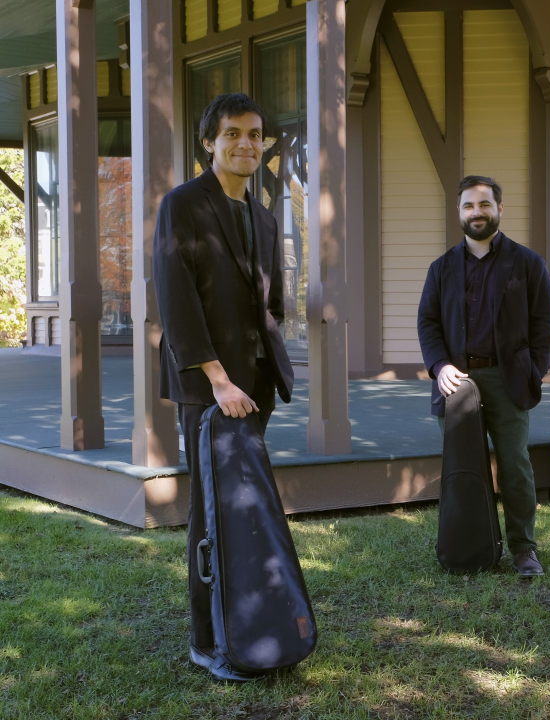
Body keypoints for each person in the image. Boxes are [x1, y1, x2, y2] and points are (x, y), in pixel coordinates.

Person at [154, 93, 294, 683]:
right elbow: (176, 297)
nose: (246, 144)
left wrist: (266, 367)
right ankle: (207, 639)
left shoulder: (264, 212)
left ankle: (252, 622)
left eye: (255, 135)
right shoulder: (182, 205)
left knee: (247, 510)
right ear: (209, 142)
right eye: (232, 133)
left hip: (255, 385)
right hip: (213, 387)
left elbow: (272, 301)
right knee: (210, 515)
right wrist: (217, 378)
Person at [418, 176, 550, 578]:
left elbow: (545, 324)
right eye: (468, 205)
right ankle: (467, 547)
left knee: (514, 465)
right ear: (458, 212)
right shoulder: (441, 268)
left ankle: (524, 549)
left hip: (506, 379)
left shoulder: (527, 263)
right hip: (455, 383)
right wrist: (440, 366)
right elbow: (427, 323)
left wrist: (532, 370)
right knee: (462, 468)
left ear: (499, 209)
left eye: (484, 204)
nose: (476, 212)